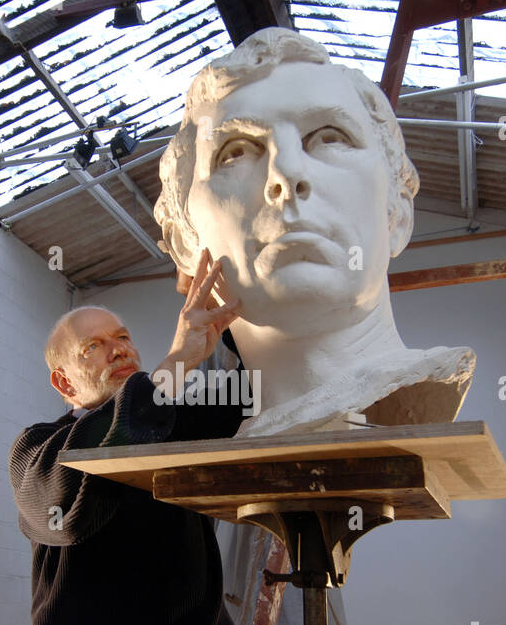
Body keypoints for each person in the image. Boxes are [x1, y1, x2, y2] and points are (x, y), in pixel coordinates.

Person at [8, 250, 246, 625]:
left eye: (122, 336)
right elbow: (75, 492)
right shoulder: (39, 449)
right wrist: (173, 366)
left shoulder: (175, 424)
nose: (118, 348)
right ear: (63, 379)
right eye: (94, 345)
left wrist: (234, 324)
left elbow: (249, 401)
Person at [153, 27, 474, 436]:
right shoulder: (205, 419)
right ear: (184, 241)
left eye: (329, 138)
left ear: (398, 214)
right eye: (235, 152)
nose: (286, 173)